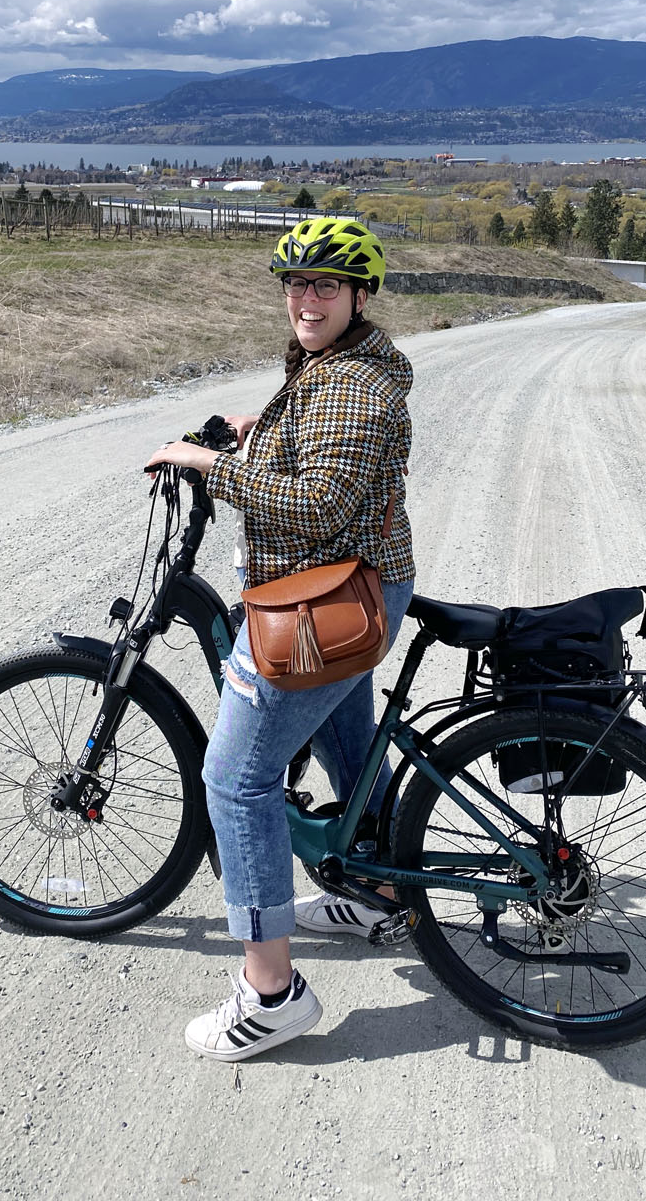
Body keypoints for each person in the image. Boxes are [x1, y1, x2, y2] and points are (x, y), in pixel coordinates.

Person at [144, 216, 415, 1061]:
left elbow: (319, 504)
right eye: (296, 284)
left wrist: (207, 465)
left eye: (325, 286)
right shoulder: (343, 364)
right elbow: (324, 437)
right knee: (347, 740)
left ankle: (271, 993)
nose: (306, 299)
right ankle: (371, 885)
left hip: (324, 602)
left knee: (234, 779)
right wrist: (261, 425)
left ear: (359, 295)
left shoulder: (353, 386)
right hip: (347, 588)